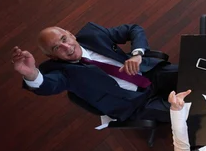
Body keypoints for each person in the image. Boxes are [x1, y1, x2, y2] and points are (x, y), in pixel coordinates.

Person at [12, 23, 178, 122]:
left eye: (64, 39)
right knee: (185, 113)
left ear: (71, 34)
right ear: (51, 56)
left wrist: (137, 55)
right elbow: (47, 85)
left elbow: (133, 29)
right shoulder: (62, 72)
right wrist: (31, 73)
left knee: (198, 74)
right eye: (57, 48)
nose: (67, 48)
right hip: (135, 104)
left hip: (150, 74)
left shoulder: (93, 34)